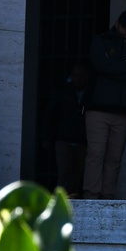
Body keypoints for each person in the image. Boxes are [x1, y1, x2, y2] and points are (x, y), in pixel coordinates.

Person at [82, 10, 126, 199]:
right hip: (98, 108)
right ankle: (91, 194)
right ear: (117, 24)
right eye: (125, 26)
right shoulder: (101, 40)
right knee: (96, 154)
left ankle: (108, 195)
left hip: (123, 111)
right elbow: (100, 64)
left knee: (114, 157)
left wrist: (114, 67)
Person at [42, 62, 89, 197]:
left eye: (81, 75)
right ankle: (60, 206)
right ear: (71, 76)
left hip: (83, 140)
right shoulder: (63, 92)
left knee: (78, 176)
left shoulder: (90, 93)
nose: (78, 78)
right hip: (63, 139)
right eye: (76, 75)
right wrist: (46, 136)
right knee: (64, 174)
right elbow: (50, 114)